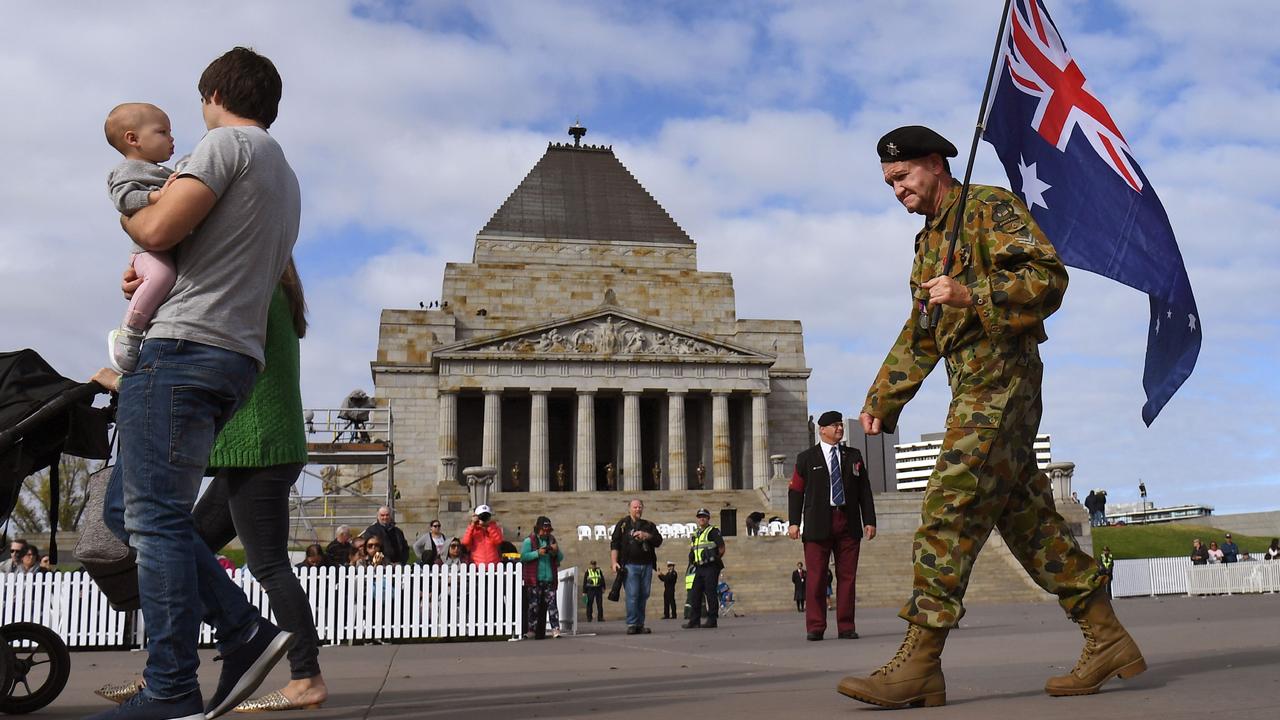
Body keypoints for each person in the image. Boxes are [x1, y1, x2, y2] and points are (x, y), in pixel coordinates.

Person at [840, 126, 1143, 709]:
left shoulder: (989, 207)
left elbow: (1048, 279)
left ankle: (920, 663)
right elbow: (922, 332)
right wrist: (883, 397)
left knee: (949, 501)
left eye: (902, 177)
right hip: (972, 387)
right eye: (888, 182)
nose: (895, 190)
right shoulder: (929, 242)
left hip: (1004, 378)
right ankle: (1108, 638)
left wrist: (971, 293)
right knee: (1030, 524)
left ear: (934, 164)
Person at [93, 47, 299, 720]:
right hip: (234, 357)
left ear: (214, 94)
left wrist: (128, 217)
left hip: (182, 350)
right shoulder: (284, 174)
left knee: (151, 522)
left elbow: (152, 222)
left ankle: (172, 687)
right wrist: (154, 268)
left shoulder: (223, 147)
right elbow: (200, 252)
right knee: (131, 513)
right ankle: (242, 631)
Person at [102, 102, 179, 373]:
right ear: (133, 139)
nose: (171, 139)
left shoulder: (165, 173)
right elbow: (124, 199)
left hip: (162, 248)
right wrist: (158, 196)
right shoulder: (127, 170)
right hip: (146, 252)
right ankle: (130, 332)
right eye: (162, 132)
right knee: (161, 277)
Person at [788, 411, 876, 642]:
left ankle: (846, 626)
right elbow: (796, 492)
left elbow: (864, 491)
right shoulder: (806, 458)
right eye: (835, 425)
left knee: (847, 577)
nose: (840, 428)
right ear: (822, 430)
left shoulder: (853, 455)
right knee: (816, 578)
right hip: (818, 523)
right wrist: (794, 522)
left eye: (841, 425)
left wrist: (870, 520)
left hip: (848, 522)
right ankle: (816, 626)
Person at [610, 498, 663, 634]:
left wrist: (646, 536)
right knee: (633, 594)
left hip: (646, 564)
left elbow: (658, 541)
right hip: (629, 565)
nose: (638, 509)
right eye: (635, 507)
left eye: (640, 507)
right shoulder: (623, 524)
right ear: (629, 509)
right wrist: (614, 562)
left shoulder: (648, 525)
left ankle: (640, 623)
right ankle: (632, 623)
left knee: (644, 594)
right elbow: (615, 544)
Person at [520, 516, 564, 639]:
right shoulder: (529, 541)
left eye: (548, 530)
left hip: (549, 578)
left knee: (552, 606)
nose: (546, 533)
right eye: (544, 530)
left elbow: (560, 558)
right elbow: (523, 557)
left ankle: (556, 629)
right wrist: (537, 553)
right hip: (535, 579)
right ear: (538, 529)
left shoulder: (551, 540)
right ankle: (531, 630)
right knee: (533, 606)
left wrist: (555, 550)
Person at [683, 508, 727, 629]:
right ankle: (694, 620)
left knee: (710, 592)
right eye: (700, 517)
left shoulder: (713, 531)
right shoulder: (696, 533)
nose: (701, 518)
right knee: (695, 593)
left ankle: (712, 620)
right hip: (699, 567)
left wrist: (715, 558)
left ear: (708, 518)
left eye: (704, 516)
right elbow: (694, 549)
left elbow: (722, 547)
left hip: (711, 567)